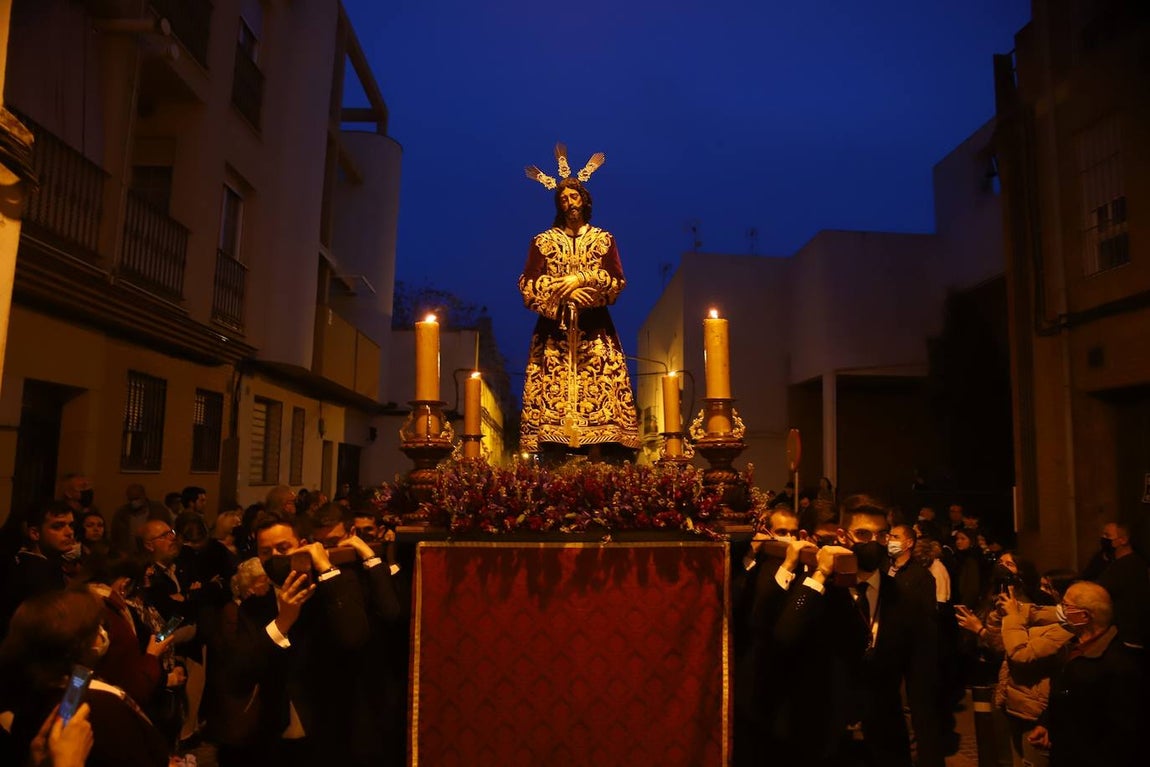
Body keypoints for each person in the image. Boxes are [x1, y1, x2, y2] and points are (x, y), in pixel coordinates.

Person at [771, 494, 943, 767]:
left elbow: (922, 687)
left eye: (881, 535)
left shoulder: (904, 599)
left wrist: (931, 757)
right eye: (863, 534)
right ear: (842, 536)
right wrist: (820, 574)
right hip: (823, 742)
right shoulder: (818, 590)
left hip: (884, 744)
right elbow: (784, 635)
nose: (873, 543)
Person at [519, 146, 639, 459]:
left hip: (595, 332)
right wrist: (564, 292)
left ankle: (599, 458)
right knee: (551, 408)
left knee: (601, 400)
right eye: (563, 199)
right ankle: (554, 460)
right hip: (553, 334)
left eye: (574, 197)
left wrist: (581, 278)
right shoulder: (543, 241)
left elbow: (616, 282)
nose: (569, 203)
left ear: (584, 200)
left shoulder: (603, 239)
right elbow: (527, 286)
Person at [0, 588, 171, 767]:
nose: (103, 633)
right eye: (96, 627)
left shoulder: (43, 693)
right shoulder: (99, 708)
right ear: (78, 644)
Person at [1027, 582, 1145, 766]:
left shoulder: (1118, 665)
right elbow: (1063, 697)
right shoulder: (1072, 648)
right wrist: (1047, 723)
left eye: (1066, 605)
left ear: (1084, 616)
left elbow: (1122, 733)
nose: (1061, 610)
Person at [1090, 521, 1149, 649]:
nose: (1103, 539)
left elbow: (1098, 592)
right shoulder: (1113, 561)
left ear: (1123, 540)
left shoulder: (1128, 566)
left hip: (1127, 637)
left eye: (1107, 535)